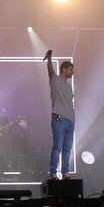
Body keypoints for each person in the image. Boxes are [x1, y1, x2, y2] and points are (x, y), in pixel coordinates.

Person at [44, 50, 75, 180]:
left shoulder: (69, 87)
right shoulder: (55, 80)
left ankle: (65, 172)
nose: (72, 72)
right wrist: (49, 59)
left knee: (67, 148)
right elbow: (50, 71)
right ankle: (53, 172)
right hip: (59, 119)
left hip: (70, 120)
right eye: (70, 69)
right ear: (63, 70)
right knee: (57, 147)